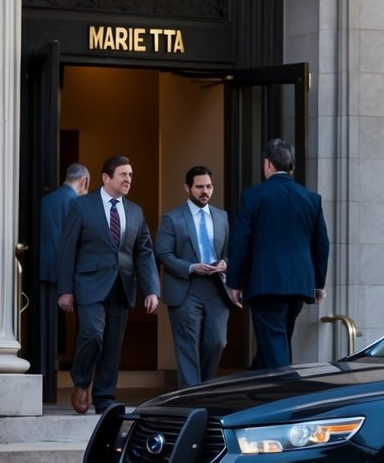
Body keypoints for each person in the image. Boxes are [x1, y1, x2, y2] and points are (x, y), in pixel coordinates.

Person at [57, 156, 160, 414]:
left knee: (113, 344)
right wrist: (65, 290)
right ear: (106, 178)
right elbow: (67, 249)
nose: (128, 180)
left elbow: (144, 252)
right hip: (89, 284)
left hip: (122, 286)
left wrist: (152, 289)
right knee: (92, 333)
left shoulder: (135, 211)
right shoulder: (82, 206)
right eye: (123, 175)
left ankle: (104, 397)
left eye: (130, 175)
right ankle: (81, 381)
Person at [227, 139, 330, 369]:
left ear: (267, 164)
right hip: (299, 285)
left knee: (274, 346)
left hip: (266, 284)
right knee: (275, 343)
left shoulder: (253, 196)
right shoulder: (311, 198)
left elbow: (240, 240)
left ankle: (286, 396)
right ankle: (255, 392)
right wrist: (317, 284)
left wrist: (234, 282)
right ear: (290, 166)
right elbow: (321, 244)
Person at [156, 166, 238, 388]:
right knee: (188, 346)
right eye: (200, 187)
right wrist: (192, 267)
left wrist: (226, 263)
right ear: (187, 188)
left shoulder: (222, 217)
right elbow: (163, 253)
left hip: (216, 287)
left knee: (217, 342)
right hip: (186, 287)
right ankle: (192, 399)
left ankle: (202, 389)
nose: (205, 191)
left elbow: (232, 251)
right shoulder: (172, 218)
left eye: (209, 186)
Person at [37, 163, 89, 399]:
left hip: (44, 266)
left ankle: (45, 381)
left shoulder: (47, 200)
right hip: (67, 271)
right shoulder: (75, 202)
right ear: (84, 182)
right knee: (77, 327)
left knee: (46, 326)